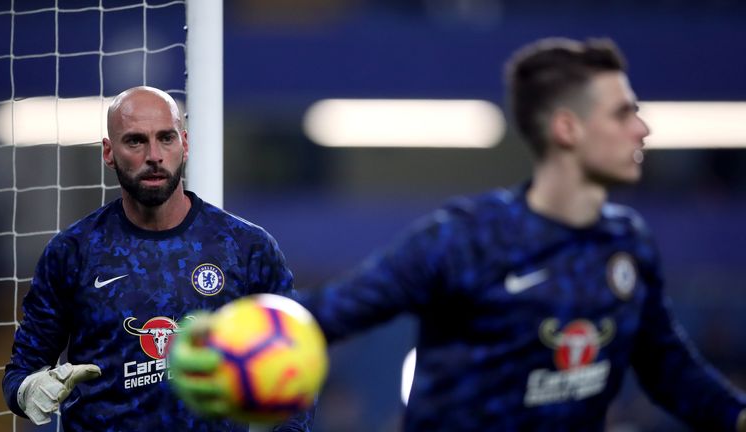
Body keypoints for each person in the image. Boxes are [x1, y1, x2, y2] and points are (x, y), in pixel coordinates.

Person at [172, 38, 746, 430]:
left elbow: (673, 373)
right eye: (623, 113)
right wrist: (230, 342)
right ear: (568, 128)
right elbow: (336, 311)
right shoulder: (467, 238)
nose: (642, 127)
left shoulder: (629, 243)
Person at [2, 86, 313, 431]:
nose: (154, 155)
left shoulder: (245, 248)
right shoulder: (73, 252)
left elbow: (295, 369)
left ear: (185, 143)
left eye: (166, 138)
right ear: (108, 152)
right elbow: (21, 373)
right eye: (135, 141)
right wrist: (28, 390)